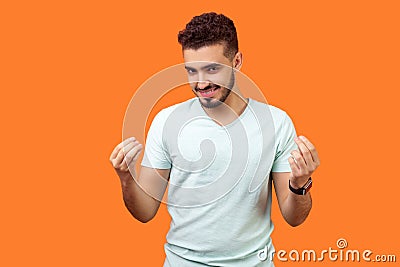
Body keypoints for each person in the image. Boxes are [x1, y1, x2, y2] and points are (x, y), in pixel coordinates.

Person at [110, 12, 320, 267]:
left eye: (212, 69)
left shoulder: (276, 122)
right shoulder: (167, 121)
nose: (201, 83)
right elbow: (144, 212)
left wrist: (299, 184)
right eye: (191, 70)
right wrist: (126, 178)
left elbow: (294, 218)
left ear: (237, 61)